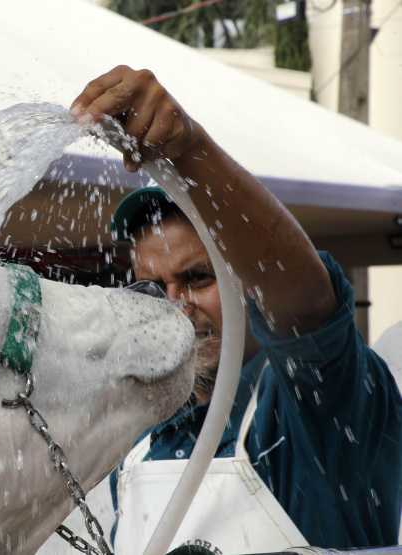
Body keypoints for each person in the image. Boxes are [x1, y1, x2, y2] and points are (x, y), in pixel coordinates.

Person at [69, 66, 402, 551]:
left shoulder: (317, 406)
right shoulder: (141, 446)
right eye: (154, 287)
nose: (175, 308)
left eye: (197, 278)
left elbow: (306, 306)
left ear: (251, 285)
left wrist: (190, 149)